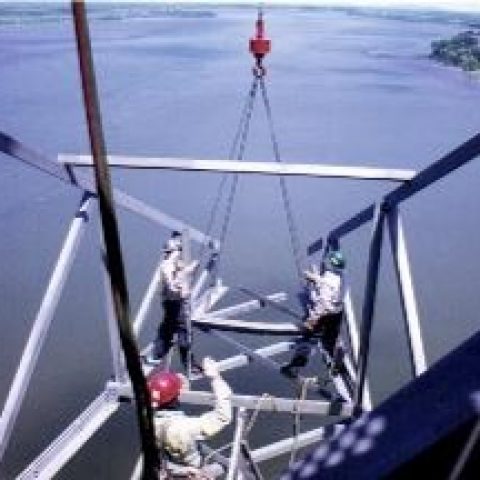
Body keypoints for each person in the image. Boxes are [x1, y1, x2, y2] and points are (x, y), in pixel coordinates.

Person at [148, 357, 232, 479]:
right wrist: (215, 378)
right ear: (177, 396)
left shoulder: (151, 422)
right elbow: (222, 417)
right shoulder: (185, 427)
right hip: (192, 472)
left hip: (172, 470)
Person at [281, 250, 346, 378]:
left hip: (325, 314)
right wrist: (316, 279)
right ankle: (340, 366)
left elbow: (323, 303)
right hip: (337, 313)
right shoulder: (340, 277)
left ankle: (297, 364)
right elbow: (330, 286)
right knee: (330, 340)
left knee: (307, 336)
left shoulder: (328, 281)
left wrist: (312, 320)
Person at [151, 231, 199, 372]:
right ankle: (189, 364)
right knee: (182, 330)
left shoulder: (173, 263)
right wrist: (186, 274)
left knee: (168, 327)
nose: (180, 252)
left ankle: (158, 353)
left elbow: (180, 274)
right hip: (174, 304)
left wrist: (190, 269)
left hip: (173, 303)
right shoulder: (168, 266)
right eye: (179, 250)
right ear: (173, 251)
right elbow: (172, 283)